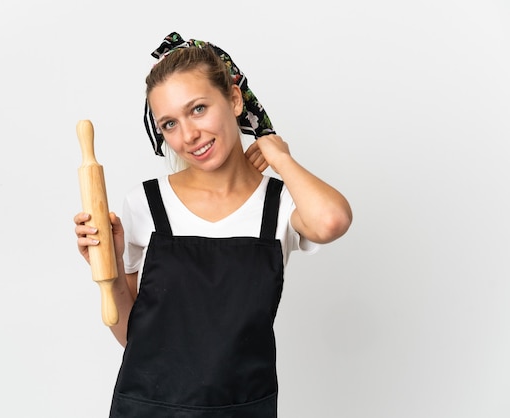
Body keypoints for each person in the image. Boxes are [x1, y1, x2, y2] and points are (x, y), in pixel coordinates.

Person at [74, 32, 352, 418]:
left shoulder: (279, 203)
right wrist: (108, 267)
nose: (189, 135)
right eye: (169, 124)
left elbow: (332, 220)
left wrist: (278, 153)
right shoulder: (145, 204)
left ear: (234, 100)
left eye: (199, 109)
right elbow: (132, 340)